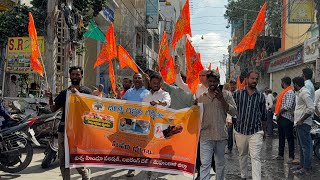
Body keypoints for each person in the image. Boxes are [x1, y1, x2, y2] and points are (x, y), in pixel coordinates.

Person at [46, 66, 92, 180]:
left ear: (81, 76)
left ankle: (84, 173)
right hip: (63, 130)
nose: (75, 76)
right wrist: (51, 98)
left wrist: (77, 94)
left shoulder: (86, 92)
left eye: (77, 74)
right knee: (63, 159)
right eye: (73, 74)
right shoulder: (64, 93)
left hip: (79, 131)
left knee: (76, 156)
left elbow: (91, 109)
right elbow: (53, 109)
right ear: (70, 76)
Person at [196, 70, 237, 180]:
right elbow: (195, 114)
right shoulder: (201, 97)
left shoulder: (226, 95)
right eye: (210, 81)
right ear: (207, 81)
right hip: (205, 136)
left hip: (220, 135)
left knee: (220, 164)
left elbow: (234, 112)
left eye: (215, 81)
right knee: (205, 165)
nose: (212, 83)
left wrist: (222, 99)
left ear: (218, 81)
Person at [233, 71, 267, 180]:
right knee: (242, 155)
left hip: (255, 131)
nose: (255, 81)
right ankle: (244, 175)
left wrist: (264, 131)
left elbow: (264, 116)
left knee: (255, 157)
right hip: (240, 130)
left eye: (256, 79)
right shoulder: (237, 94)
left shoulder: (261, 96)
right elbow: (232, 110)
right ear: (247, 79)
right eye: (252, 78)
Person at [122, 73, 149, 177]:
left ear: (142, 80)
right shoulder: (128, 92)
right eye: (135, 78)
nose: (137, 79)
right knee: (131, 147)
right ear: (132, 80)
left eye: (139, 78)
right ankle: (131, 168)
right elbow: (122, 104)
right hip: (129, 123)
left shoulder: (147, 93)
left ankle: (145, 167)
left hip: (141, 124)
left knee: (141, 146)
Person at [291, 77, 314, 175]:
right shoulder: (299, 93)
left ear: (296, 84)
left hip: (303, 124)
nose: (293, 86)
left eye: (293, 84)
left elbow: (311, 108)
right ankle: (302, 165)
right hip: (299, 123)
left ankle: (306, 167)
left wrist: (301, 120)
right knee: (301, 146)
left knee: (306, 146)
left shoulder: (304, 92)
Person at [273, 77, 295, 164]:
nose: (281, 84)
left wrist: (279, 113)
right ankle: (280, 155)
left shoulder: (289, 92)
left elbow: (288, 106)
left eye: (281, 82)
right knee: (281, 137)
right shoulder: (284, 92)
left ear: (284, 83)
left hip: (287, 118)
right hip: (281, 117)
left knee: (289, 138)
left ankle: (291, 157)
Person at [226, 80, 237, 154]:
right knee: (229, 132)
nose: (232, 86)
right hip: (229, 115)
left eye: (234, 85)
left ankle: (239, 146)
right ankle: (229, 148)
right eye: (231, 85)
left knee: (238, 132)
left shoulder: (238, 93)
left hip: (236, 115)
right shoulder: (227, 94)